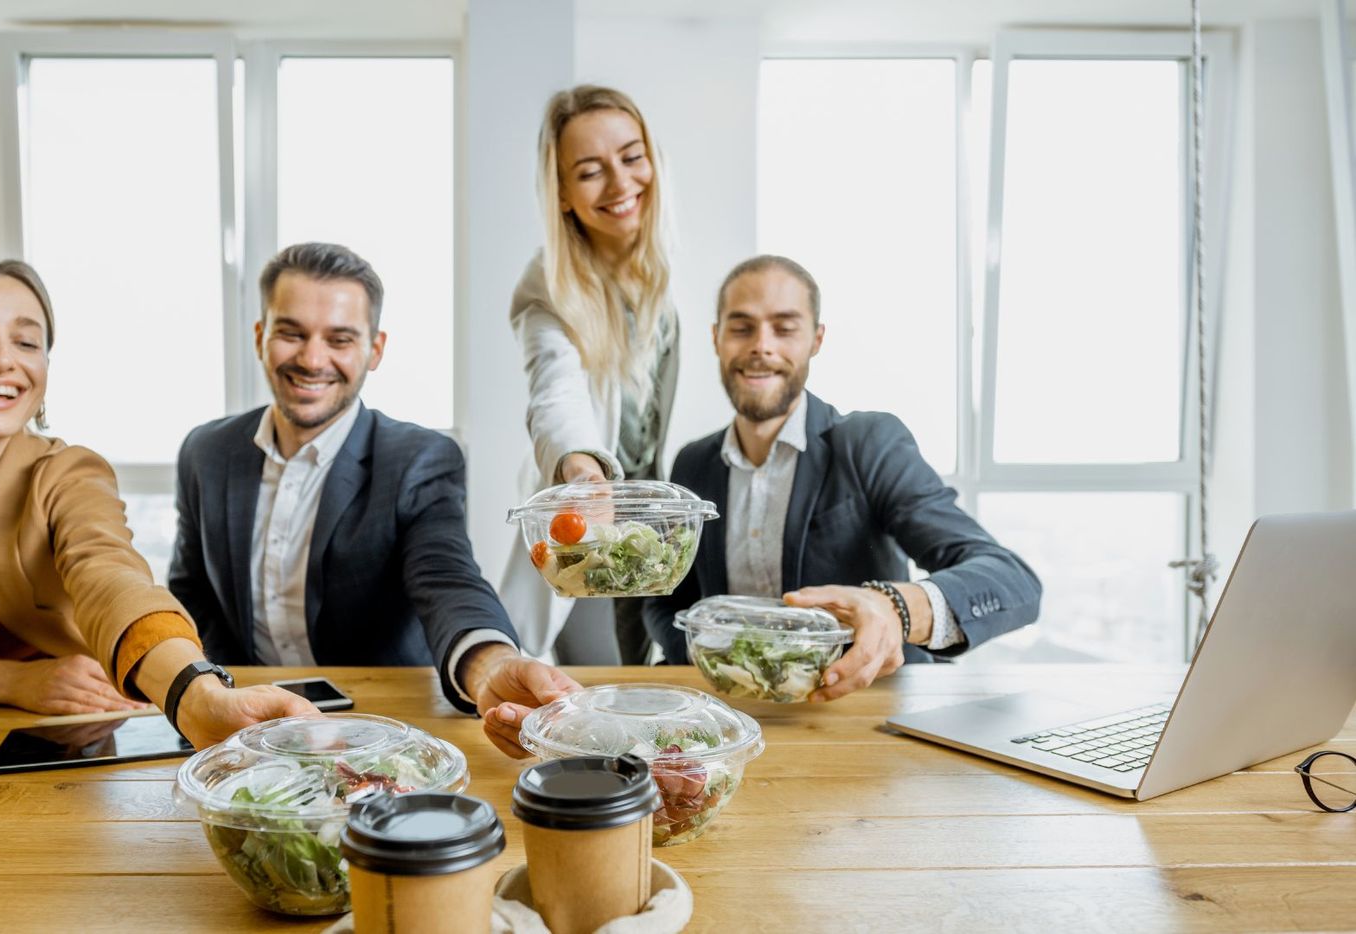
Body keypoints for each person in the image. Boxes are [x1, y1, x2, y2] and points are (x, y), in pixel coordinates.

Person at [0, 256, 319, 749]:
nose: (2, 360)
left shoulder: (70, 472)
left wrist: (196, 695)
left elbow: (115, 582)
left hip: (55, 741)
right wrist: (9, 679)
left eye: (26, 342)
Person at [168, 242, 580, 757]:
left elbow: (447, 579)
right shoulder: (206, 452)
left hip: (381, 732)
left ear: (375, 349)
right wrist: (215, 691)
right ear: (260, 337)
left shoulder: (420, 459)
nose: (312, 359)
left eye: (340, 339)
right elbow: (192, 595)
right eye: (291, 333)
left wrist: (491, 665)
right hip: (242, 733)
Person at [643, 255, 1042, 700]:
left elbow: (1011, 579)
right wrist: (702, 654)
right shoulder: (692, 464)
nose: (761, 345)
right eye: (742, 328)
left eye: (785, 327)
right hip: (732, 712)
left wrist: (895, 609)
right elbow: (666, 598)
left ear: (816, 340)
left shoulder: (870, 442)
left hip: (865, 711)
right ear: (717, 339)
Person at [499, 85, 680, 664]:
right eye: (590, 171)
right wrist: (582, 471)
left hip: (668, 533)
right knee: (600, 686)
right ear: (563, 195)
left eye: (631, 157)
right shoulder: (547, 284)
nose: (622, 184)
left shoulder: (672, 266)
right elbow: (555, 389)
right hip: (595, 529)